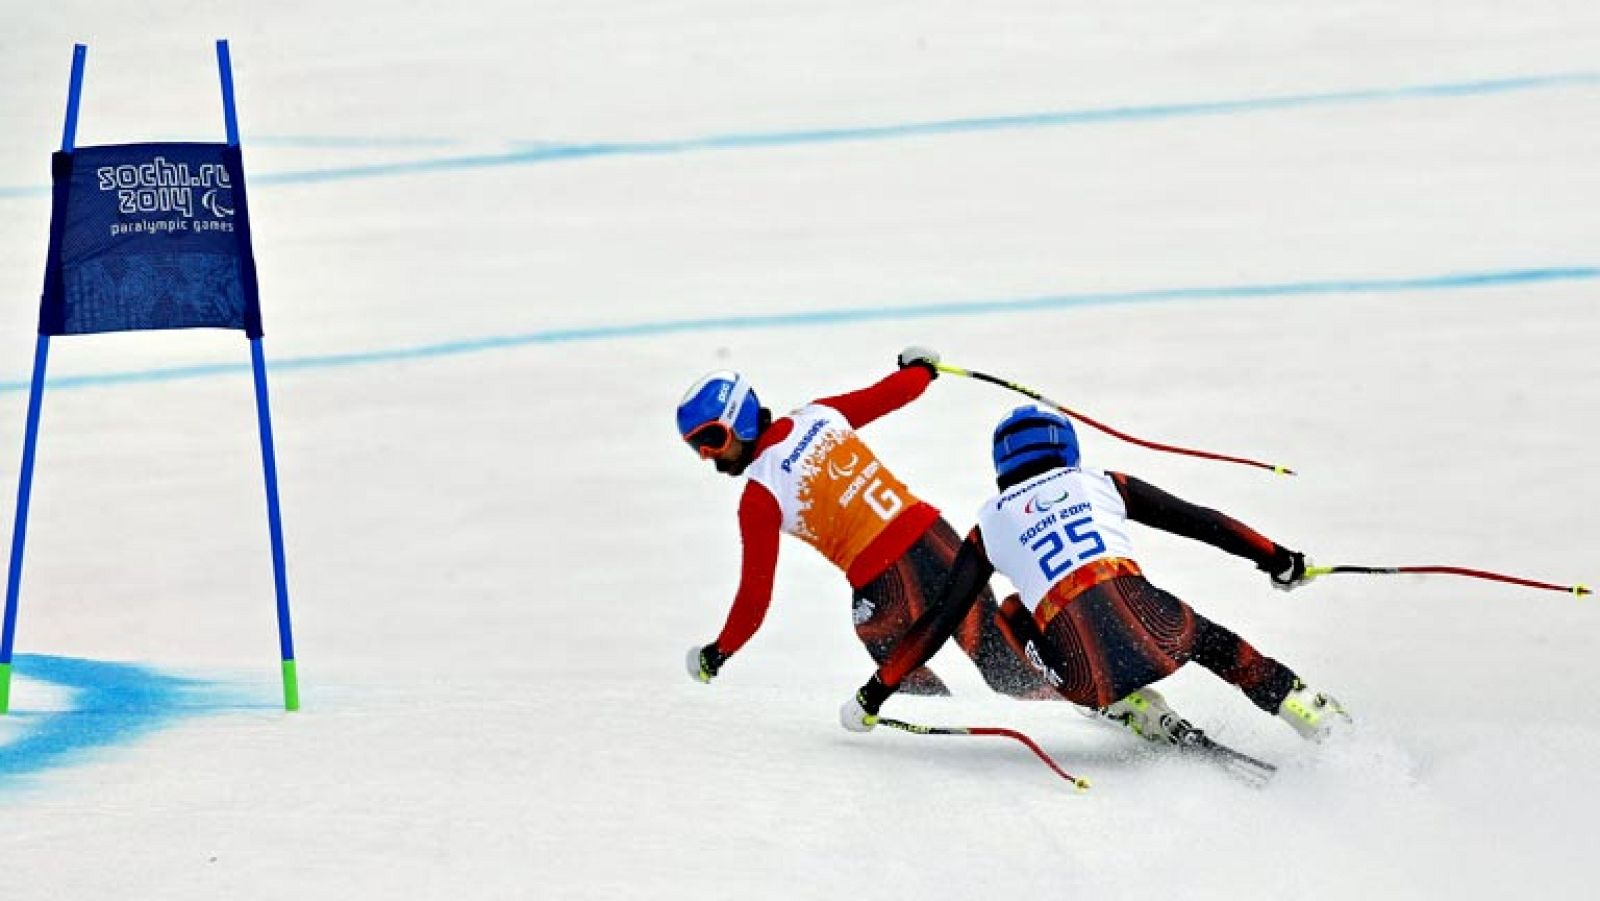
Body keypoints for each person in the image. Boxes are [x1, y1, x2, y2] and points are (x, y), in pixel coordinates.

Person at [840, 404, 1350, 744]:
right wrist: (1278, 558)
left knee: (1013, 612)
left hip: (1083, 675)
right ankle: (1308, 710)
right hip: (1162, 630)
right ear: (1065, 448)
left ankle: (1126, 707)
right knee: (1220, 648)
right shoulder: (1100, 482)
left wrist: (873, 694)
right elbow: (1204, 523)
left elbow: (938, 622)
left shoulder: (988, 523)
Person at [678, 348, 1049, 700]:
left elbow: (754, 595)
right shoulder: (817, 416)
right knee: (994, 651)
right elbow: (891, 393)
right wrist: (921, 369)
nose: (709, 455)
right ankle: (1066, 706)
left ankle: (935, 723)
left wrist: (719, 652)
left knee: (897, 670)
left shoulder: (759, 497)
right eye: (697, 447)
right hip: (938, 539)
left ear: (740, 419)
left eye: (712, 439)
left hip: (885, 583)